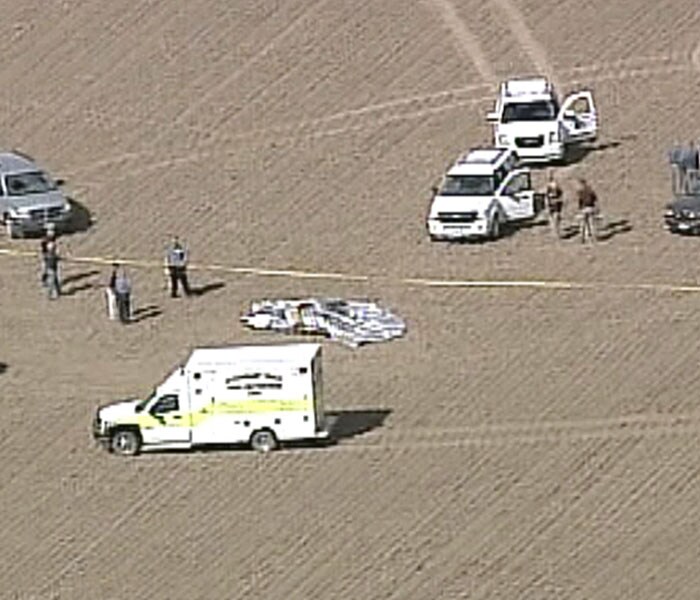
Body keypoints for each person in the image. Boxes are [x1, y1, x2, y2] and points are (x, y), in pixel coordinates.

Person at [576, 178, 598, 244]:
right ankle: (592, 238)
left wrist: (579, 208)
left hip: (584, 208)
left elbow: (580, 200)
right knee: (591, 223)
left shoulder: (580, 191)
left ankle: (583, 238)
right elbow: (595, 198)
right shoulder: (590, 190)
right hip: (591, 207)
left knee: (583, 224)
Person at [544, 170, 564, 239]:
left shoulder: (550, 186)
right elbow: (561, 194)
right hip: (556, 203)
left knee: (553, 219)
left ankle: (555, 233)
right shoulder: (556, 185)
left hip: (552, 203)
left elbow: (547, 195)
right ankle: (556, 233)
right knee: (556, 219)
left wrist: (547, 203)